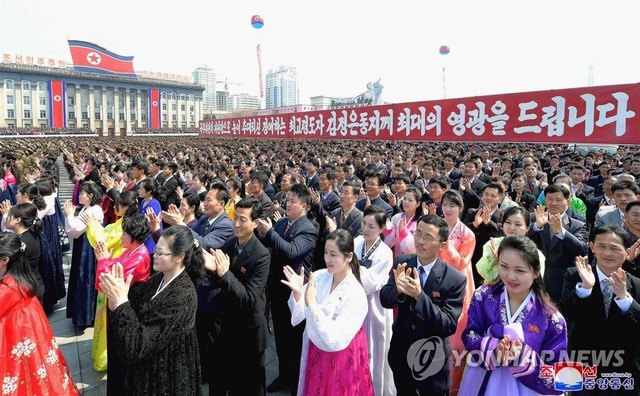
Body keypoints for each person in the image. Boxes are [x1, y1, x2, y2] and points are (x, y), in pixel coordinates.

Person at [98, 225, 204, 396]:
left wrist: (120, 302)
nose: (154, 255)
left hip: (167, 373)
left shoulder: (183, 296)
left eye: (161, 253)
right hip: (149, 365)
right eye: (156, 249)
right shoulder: (159, 279)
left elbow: (138, 345)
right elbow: (132, 305)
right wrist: (116, 299)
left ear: (179, 257)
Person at [459, 235, 567, 395]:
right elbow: (470, 335)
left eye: (520, 270)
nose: (510, 276)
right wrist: (493, 349)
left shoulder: (552, 319)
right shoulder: (483, 297)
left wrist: (524, 359)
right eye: (504, 266)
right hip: (482, 383)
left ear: (536, 272)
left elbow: (559, 377)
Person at [380, 215, 467, 395]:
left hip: (432, 360)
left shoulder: (454, 279)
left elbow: (447, 324)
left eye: (428, 237)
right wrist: (397, 290)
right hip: (401, 354)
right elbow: (385, 300)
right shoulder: (402, 262)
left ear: (442, 244)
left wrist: (420, 296)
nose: (420, 241)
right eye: (418, 233)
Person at [283, 229, 374, 395]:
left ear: (349, 257)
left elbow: (336, 339)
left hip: (343, 356)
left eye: (333, 254)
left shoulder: (355, 293)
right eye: (325, 252)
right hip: (316, 350)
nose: (327, 259)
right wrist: (298, 293)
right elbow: (299, 314)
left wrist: (312, 306)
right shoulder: (319, 276)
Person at [560, 225, 640, 395]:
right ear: (592, 247)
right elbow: (565, 315)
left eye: (615, 248)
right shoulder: (575, 276)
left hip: (623, 368)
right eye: (601, 246)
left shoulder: (636, 284)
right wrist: (585, 289)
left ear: (627, 252)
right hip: (581, 362)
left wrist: (625, 300)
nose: (607, 253)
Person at [203, 198, 271, 395]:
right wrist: (211, 269)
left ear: (255, 223)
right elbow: (218, 276)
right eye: (235, 218)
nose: (237, 224)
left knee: (248, 386)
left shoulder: (261, 255)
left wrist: (224, 273)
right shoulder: (231, 243)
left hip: (249, 331)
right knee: (224, 379)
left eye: (243, 219)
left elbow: (249, 298)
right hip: (228, 325)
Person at [0, 232, 80, 395]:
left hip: (14, 346)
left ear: (5, 260)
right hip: (32, 342)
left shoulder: (7, 289)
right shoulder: (23, 279)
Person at [257, 183, 318, 393]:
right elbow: (270, 244)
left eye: (293, 201)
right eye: (287, 200)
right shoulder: (283, 223)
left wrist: (271, 233)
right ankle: (283, 376)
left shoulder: (309, 229)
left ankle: (295, 382)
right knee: (281, 338)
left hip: (296, 293)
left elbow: (292, 252)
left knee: (295, 341)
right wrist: (261, 232)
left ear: (305, 206)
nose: (288, 204)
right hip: (277, 287)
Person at [83, 190, 139, 373]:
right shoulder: (123, 222)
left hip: (115, 270)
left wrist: (92, 225)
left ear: (126, 207)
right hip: (110, 266)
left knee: (108, 315)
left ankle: (105, 357)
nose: (115, 208)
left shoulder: (126, 225)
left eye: (118, 205)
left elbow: (103, 241)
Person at [94, 214, 151, 392]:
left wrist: (103, 260)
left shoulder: (140, 257)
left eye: (124, 234)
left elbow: (113, 282)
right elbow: (116, 264)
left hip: (128, 309)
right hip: (119, 307)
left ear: (134, 236)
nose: (121, 237)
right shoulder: (132, 251)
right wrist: (105, 260)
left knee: (122, 359)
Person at [437, 190, 476, 396]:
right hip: (437, 282)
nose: (448, 209)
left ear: (460, 208)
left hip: (458, 285)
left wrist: (447, 245)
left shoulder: (467, 234)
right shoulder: (437, 227)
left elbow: (461, 262)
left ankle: (454, 387)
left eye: (452, 205)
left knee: (456, 335)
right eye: (445, 204)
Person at [354, 205, 396, 396]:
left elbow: (371, 283)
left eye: (371, 226)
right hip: (353, 302)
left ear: (381, 229)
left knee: (375, 348)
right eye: (364, 223)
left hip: (375, 305)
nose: (366, 229)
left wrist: (352, 270)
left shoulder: (385, 252)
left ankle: (374, 389)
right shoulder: (356, 242)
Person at [64, 181, 104, 327]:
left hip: (88, 248)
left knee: (85, 278)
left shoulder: (93, 210)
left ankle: (86, 315)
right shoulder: (87, 208)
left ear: (91, 195)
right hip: (84, 246)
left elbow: (75, 231)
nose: (80, 195)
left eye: (83, 193)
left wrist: (69, 215)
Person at [476, 205, 547, 283]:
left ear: (527, 228)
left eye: (518, 224)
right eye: (508, 222)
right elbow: (483, 273)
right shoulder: (494, 244)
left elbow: (536, 282)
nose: (512, 228)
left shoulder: (534, 253)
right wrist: (495, 261)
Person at [5, 203, 45, 303]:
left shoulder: (23, 242)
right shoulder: (28, 234)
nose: (6, 217)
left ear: (18, 220)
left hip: (26, 290)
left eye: (9, 215)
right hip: (32, 284)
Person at [384, 186, 423, 257]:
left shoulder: (421, 222)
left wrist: (403, 232)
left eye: (410, 200)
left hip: (413, 257)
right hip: (396, 256)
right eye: (404, 199)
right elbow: (389, 241)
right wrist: (387, 230)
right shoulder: (396, 218)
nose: (406, 202)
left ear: (418, 204)